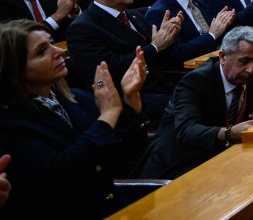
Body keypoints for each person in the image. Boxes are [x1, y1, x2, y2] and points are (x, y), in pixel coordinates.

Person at [0, 20, 148, 219]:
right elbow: (61, 177)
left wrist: (130, 99)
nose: (59, 51)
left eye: (52, 43)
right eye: (42, 51)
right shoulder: (9, 124)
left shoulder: (75, 98)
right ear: (14, 70)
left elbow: (127, 155)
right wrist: (108, 114)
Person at [139, 26, 253, 179]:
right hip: (181, 163)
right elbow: (186, 130)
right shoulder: (196, 80)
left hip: (230, 159)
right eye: (244, 61)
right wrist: (229, 133)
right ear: (223, 56)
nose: (251, 69)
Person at [66, 0, 183, 122]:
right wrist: (155, 47)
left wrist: (169, 36)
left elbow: (161, 57)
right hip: (129, 99)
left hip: (163, 85)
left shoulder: (134, 16)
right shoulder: (82, 28)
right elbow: (110, 70)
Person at [145, 0, 236, 71]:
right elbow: (177, 54)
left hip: (214, 65)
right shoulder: (160, 12)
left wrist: (223, 27)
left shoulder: (198, 3)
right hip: (189, 74)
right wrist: (212, 34)